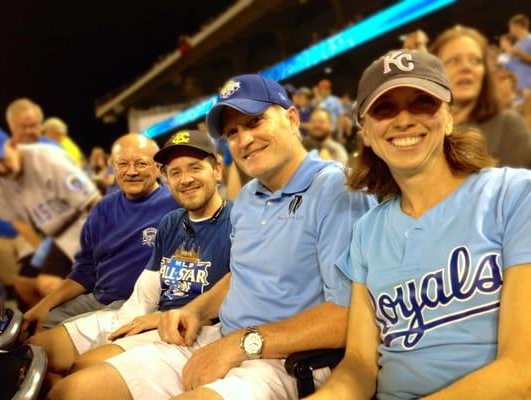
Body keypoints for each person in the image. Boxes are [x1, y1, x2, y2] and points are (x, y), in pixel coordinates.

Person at [47, 74, 375, 400]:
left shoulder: (336, 190)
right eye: (233, 132)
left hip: (287, 358)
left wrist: (242, 343)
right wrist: (196, 311)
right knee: (74, 391)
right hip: (220, 337)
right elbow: (240, 275)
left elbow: (348, 316)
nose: (244, 139)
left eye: (255, 121)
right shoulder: (248, 198)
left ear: (291, 118)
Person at [308, 49, 531, 400]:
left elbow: (522, 371)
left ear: (448, 117)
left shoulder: (514, 195)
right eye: (384, 108)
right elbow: (360, 366)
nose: (404, 120)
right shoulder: (367, 231)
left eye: (422, 103)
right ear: (364, 131)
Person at [43, 130, 232, 395]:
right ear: (166, 178)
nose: (185, 179)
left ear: (217, 170)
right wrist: (129, 323)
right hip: (150, 317)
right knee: (39, 354)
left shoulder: (238, 220)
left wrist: (160, 318)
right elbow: (148, 287)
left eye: (195, 168)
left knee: (78, 377)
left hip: (197, 330)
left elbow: (235, 295)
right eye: (175, 172)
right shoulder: (170, 222)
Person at [20, 133, 179, 334]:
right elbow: (85, 272)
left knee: (52, 340)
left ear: (157, 168)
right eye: (122, 164)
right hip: (98, 299)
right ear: (113, 166)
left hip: (139, 306)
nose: (131, 172)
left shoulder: (176, 204)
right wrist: (43, 305)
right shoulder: (102, 208)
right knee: (32, 328)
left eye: (141, 164)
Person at [0, 129, 100, 308]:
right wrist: (42, 253)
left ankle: (83, 316)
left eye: (1, 159)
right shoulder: (1, 181)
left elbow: (94, 203)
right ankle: (44, 324)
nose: (1, 168)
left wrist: (103, 247)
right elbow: (19, 222)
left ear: (12, 145)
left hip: (81, 224)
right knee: (24, 285)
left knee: (47, 283)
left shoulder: (46, 158)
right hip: (52, 237)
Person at [430, 25, 531, 168]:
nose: (466, 67)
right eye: (453, 61)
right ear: (434, 72)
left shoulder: (507, 124)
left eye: (475, 61)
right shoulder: (426, 128)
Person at [502, 14, 531, 91]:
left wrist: (518, 53)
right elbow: (511, 66)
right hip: (517, 87)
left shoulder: (530, 40)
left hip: (528, 87)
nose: (510, 31)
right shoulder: (516, 45)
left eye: (510, 27)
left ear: (517, 26)